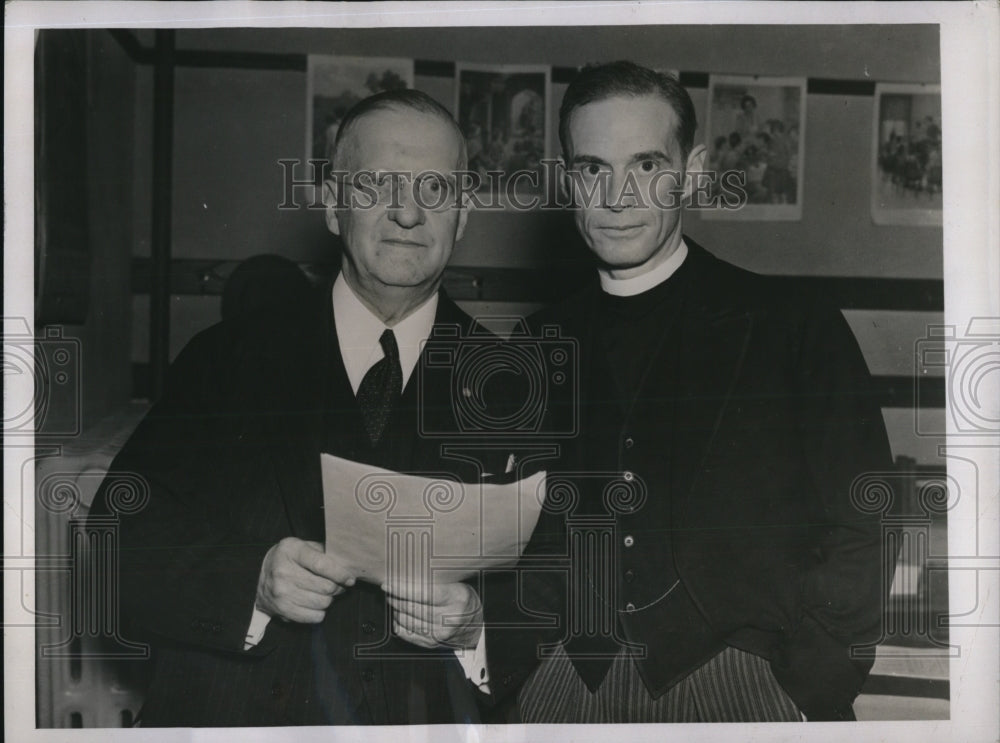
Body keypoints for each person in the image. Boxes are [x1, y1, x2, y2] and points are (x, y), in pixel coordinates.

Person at [91, 89, 527, 726]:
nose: (408, 213)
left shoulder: (514, 383)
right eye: (379, 184)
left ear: (461, 217)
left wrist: (480, 624)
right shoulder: (224, 358)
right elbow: (112, 545)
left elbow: (565, 579)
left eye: (435, 188)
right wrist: (252, 582)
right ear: (332, 206)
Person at [516, 61, 893, 723]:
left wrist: (804, 691)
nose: (618, 196)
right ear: (567, 179)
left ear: (691, 172)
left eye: (646, 165)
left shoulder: (791, 324)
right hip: (571, 688)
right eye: (593, 168)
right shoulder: (535, 339)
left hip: (751, 689)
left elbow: (867, 519)